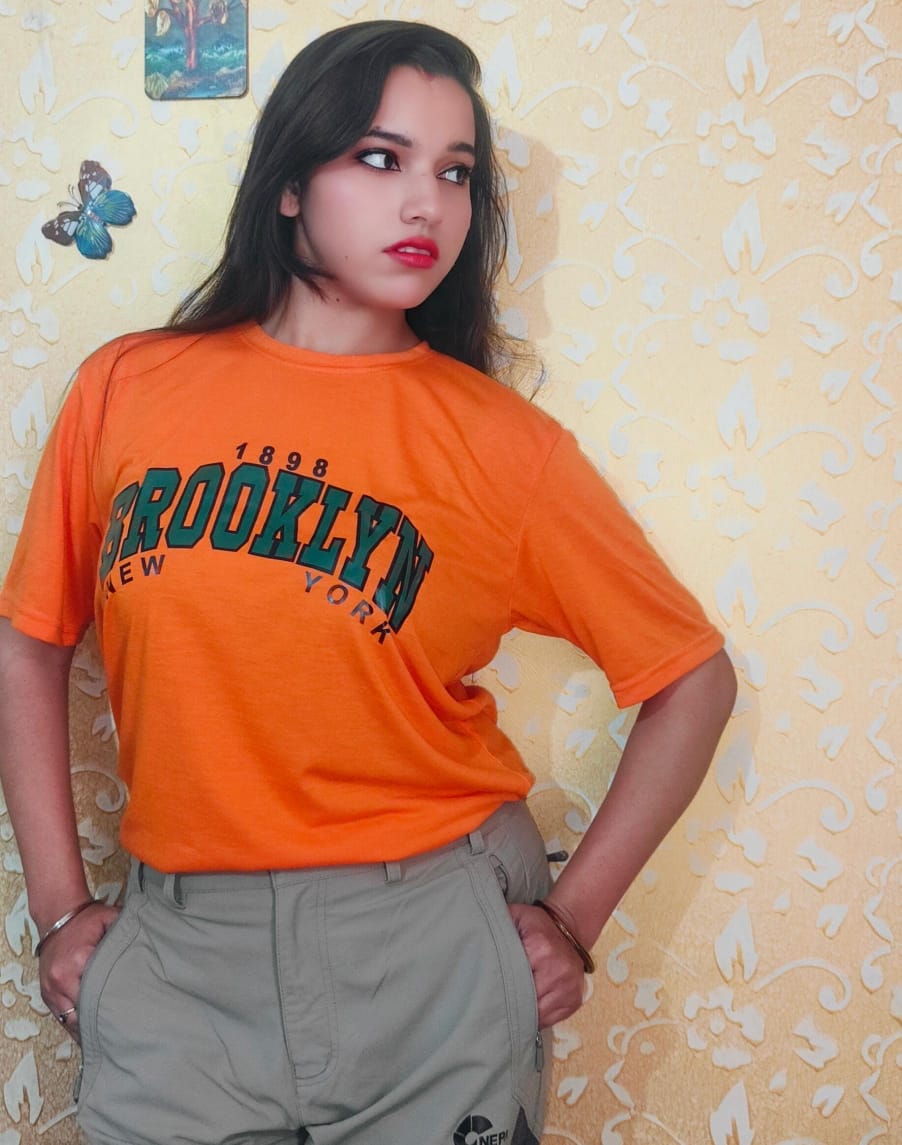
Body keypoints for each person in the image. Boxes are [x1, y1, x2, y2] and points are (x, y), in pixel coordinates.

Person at [0, 19, 736, 1145]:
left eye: (456, 172)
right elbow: (31, 639)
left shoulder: (501, 444)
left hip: (431, 943)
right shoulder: (127, 388)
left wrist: (573, 918)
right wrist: (59, 910)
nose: (425, 204)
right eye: (381, 158)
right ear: (292, 182)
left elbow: (693, 679)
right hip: (180, 955)